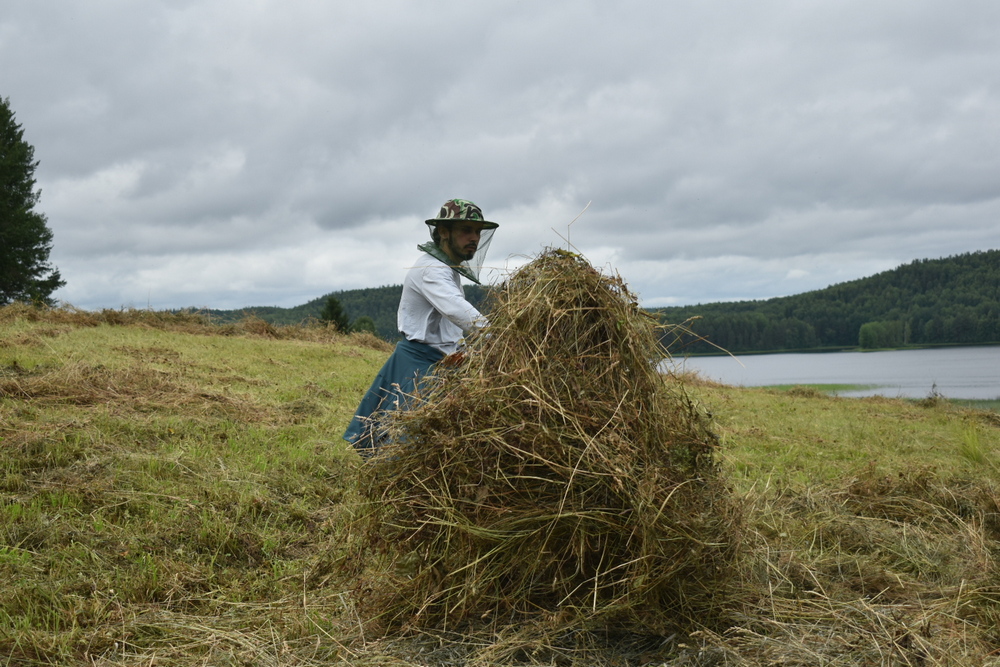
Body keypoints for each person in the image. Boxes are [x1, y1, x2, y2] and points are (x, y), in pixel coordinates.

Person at [342, 198, 499, 456]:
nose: (474, 238)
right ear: (444, 232)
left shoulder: (447, 269)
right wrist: (505, 335)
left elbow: (451, 326)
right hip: (420, 366)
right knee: (406, 444)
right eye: (466, 230)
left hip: (440, 363)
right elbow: (458, 311)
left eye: (478, 231)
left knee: (432, 443)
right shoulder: (431, 270)